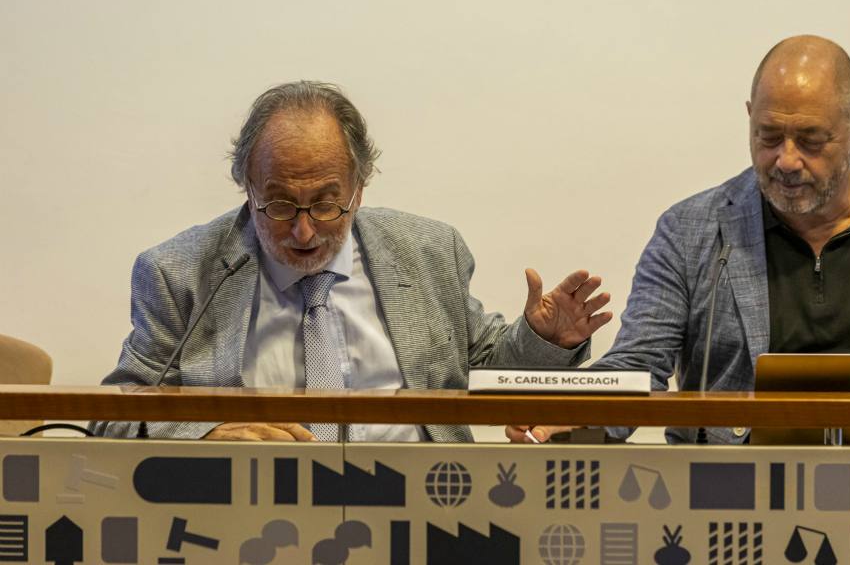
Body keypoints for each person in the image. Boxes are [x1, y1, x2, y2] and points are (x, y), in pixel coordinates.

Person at [90, 81, 612, 442]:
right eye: (279, 204)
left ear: (359, 188)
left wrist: (544, 340)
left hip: (422, 500)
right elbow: (113, 416)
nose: (303, 231)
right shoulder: (179, 272)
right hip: (251, 510)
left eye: (325, 203)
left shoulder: (429, 251)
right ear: (247, 186)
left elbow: (485, 369)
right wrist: (208, 435)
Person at [509, 34, 850, 445]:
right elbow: (638, 364)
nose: (786, 160)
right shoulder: (688, 231)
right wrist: (565, 414)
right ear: (749, 118)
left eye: (811, 140)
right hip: (725, 479)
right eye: (768, 136)